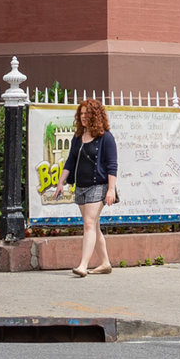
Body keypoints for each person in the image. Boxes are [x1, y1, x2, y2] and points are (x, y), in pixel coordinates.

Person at [62, 98, 119, 278]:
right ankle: (105, 263)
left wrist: (111, 190)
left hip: (99, 186)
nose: (83, 117)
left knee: (88, 224)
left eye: (87, 113)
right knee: (94, 226)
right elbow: (70, 161)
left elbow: (112, 165)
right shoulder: (78, 137)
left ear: (96, 115)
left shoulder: (105, 137)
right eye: (81, 113)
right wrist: (60, 182)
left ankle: (83, 266)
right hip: (81, 186)